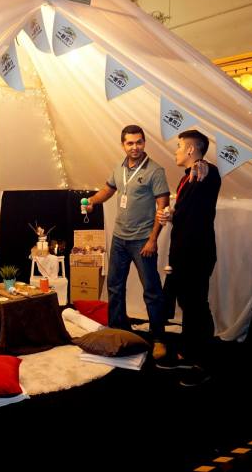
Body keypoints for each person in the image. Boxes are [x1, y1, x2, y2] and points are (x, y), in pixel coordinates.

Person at [83, 125, 170, 359]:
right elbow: (107, 191)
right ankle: (118, 331)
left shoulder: (155, 171)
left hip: (143, 241)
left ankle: (159, 338)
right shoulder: (119, 168)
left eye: (139, 142)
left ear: (144, 143)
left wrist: (153, 240)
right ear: (123, 144)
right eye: (130, 143)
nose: (135, 147)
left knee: (152, 291)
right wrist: (92, 201)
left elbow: (163, 208)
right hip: (120, 239)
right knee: (114, 287)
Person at [156, 129, 221, 387]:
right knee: (186, 304)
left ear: (192, 151)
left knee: (196, 307)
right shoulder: (186, 178)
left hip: (197, 253)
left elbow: (209, 172)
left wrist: (204, 163)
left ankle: (204, 363)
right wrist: (169, 215)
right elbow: (187, 213)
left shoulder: (206, 172)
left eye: (180, 146)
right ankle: (187, 353)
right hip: (182, 252)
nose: (176, 150)